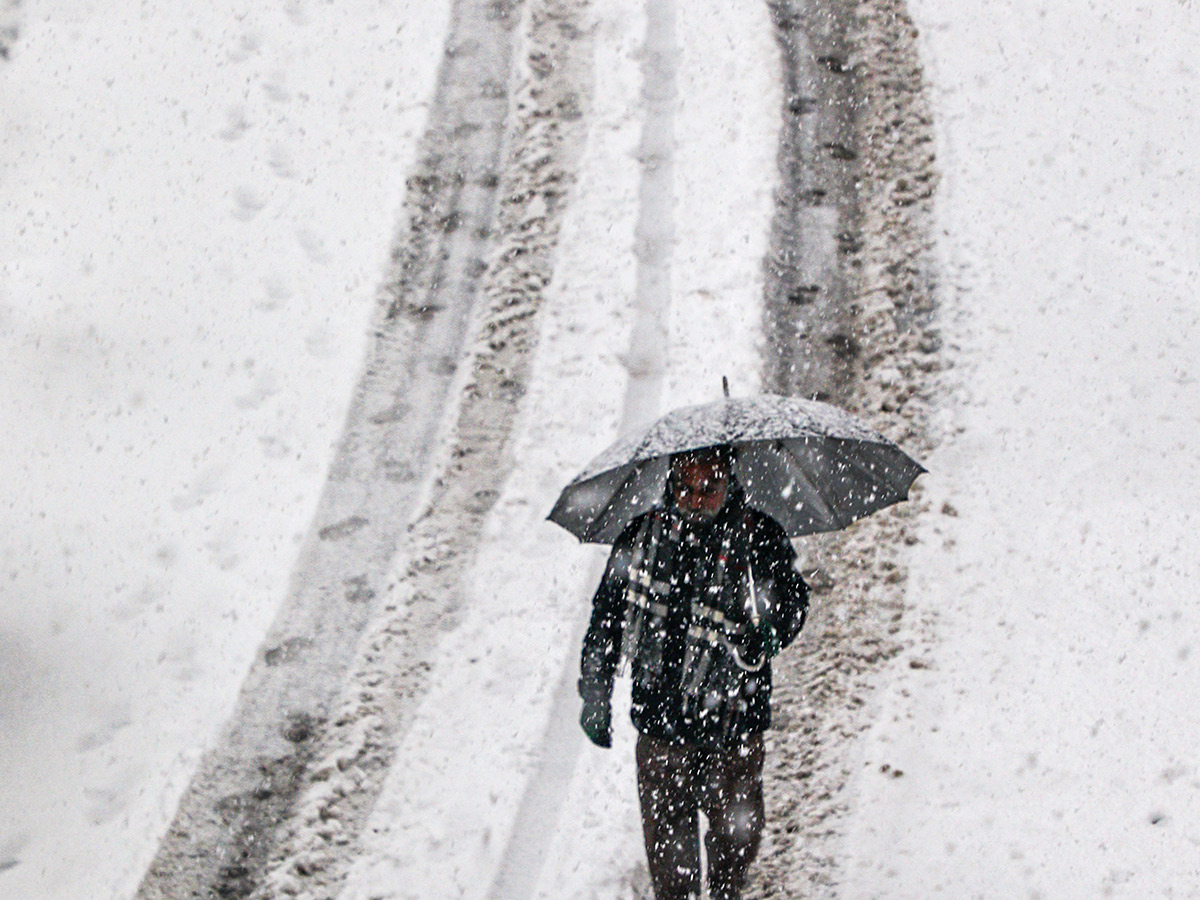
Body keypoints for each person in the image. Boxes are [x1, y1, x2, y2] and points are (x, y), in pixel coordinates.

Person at [577, 445, 809, 900]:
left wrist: (767, 634)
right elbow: (606, 618)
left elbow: (794, 602)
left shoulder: (758, 537)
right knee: (672, 875)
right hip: (662, 734)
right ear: (670, 481)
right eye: (685, 486)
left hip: (734, 730)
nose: (696, 496)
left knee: (733, 858)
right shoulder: (640, 538)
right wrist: (595, 691)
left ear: (730, 483)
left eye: (709, 486)